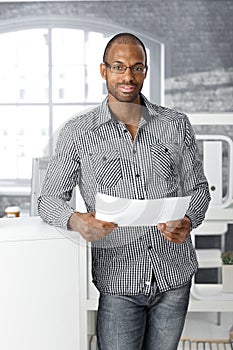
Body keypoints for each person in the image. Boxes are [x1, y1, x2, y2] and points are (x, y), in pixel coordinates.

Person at [38, 32, 211, 350]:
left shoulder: (175, 124)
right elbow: (49, 199)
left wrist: (188, 219)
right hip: (118, 280)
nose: (128, 76)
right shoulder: (77, 132)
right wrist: (77, 221)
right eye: (118, 67)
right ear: (103, 71)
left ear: (145, 71)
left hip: (174, 276)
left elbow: (199, 187)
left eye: (137, 67)